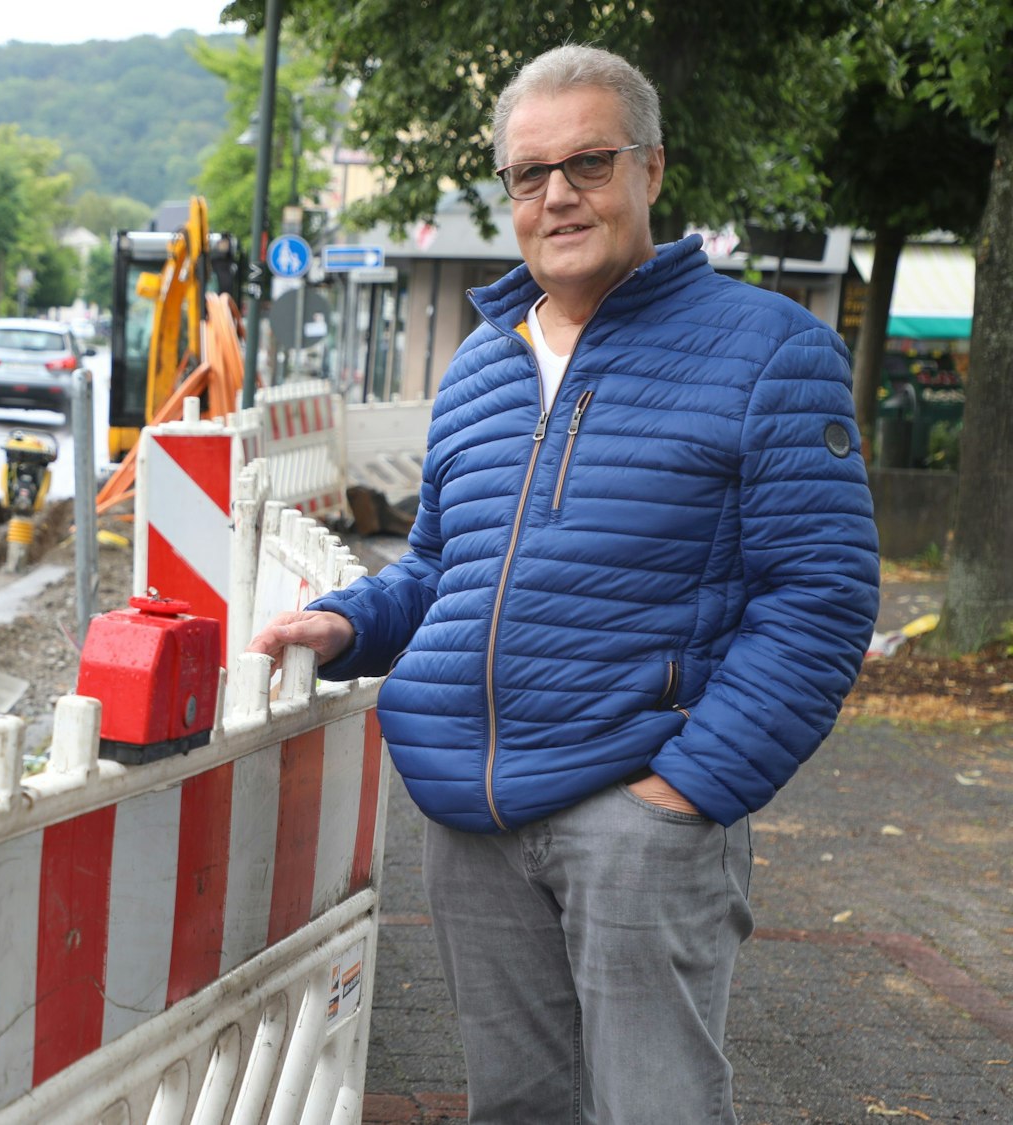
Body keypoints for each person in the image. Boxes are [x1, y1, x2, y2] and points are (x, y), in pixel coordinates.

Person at [248, 45, 878, 1124]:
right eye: (527, 174)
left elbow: (817, 598)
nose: (555, 195)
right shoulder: (480, 363)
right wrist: (349, 622)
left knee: (654, 1108)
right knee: (516, 1109)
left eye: (587, 162)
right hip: (470, 819)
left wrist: (683, 795)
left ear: (650, 170)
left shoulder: (767, 348)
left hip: (635, 810)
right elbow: (446, 568)